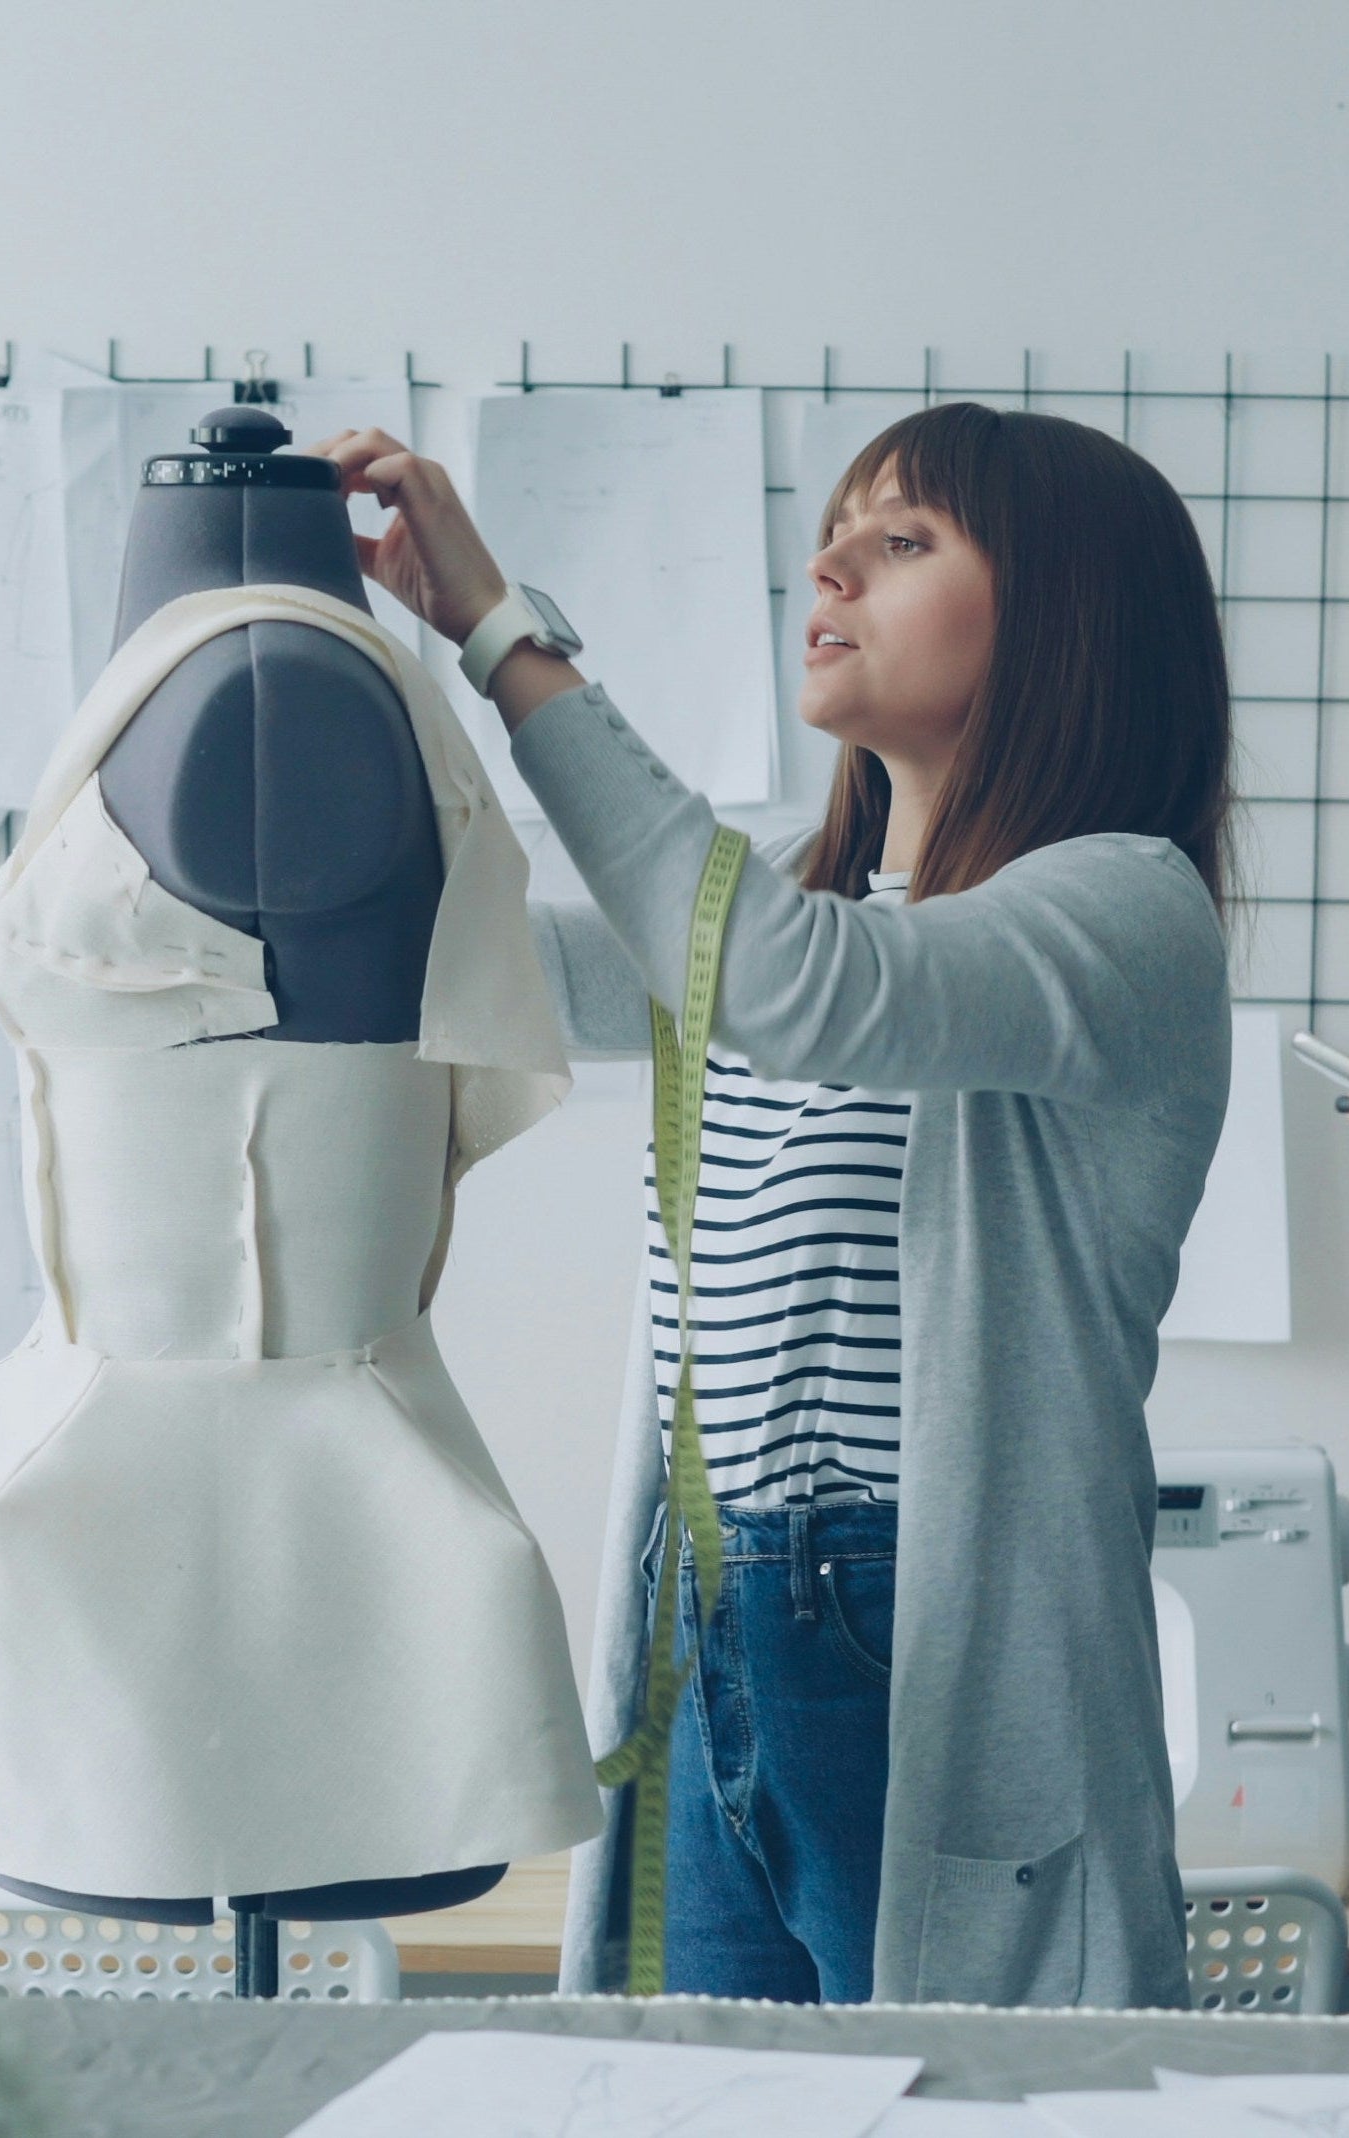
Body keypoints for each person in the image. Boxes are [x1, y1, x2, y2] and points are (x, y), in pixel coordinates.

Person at [305, 403, 1235, 2010]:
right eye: (839, 531)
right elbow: (467, 949)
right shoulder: (789, 916)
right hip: (705, 1614)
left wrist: (504, 633)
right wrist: (334, 641)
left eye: (905, 539)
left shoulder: (1123, 910)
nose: (829, 565)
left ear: (1070, 613)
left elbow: (786, 983)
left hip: (906, 1632)